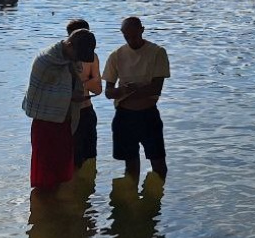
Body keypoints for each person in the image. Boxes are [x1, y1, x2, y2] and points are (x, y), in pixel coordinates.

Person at [24, 28, 96, 195]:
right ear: (69, 45)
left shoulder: (72, 61)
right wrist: (70, 98)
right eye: (77, 55)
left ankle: (54, 209)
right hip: (45, 124)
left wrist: (75, 97)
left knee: (63, 170)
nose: (79, 60)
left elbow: (69, 87)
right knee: (44, 174)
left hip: (66, 123)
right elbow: (38, 94)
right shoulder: (45, 61)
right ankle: (44, 204)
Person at [103, 16, 171, 181]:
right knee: (131, 168)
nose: (131, 40)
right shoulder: (116, 55)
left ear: (142, 30)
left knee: (159, 165)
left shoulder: (157, 52)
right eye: (127, 37)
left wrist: (129, 92)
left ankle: (155, 200)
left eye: (134, 35)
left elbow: (156, 88)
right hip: (124, 116)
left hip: (148, 114)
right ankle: (131, 200)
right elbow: (108, 92)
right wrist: (125, 91)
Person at [66, 19, 103, 170]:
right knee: (72, 160)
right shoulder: (63, 57)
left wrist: (80, 83)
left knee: (90, 159)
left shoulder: (92, 57)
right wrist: (88, 81)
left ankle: (87, 191)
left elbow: (98, 89)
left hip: (86, 111)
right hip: (68, 114)